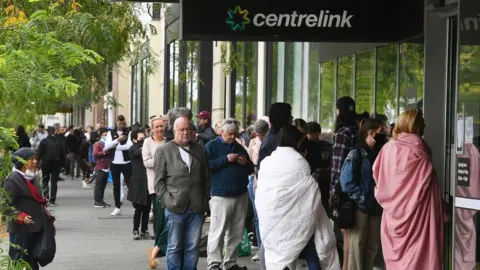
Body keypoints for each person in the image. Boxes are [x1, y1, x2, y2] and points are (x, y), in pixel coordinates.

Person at [256, 125, 339, 270]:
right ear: (296, 141)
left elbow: (262, 191)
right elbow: (309, 189)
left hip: (273, 217)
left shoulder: (267, 162)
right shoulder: (299, 161)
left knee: (278, 255)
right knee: (309, 248)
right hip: (298, 218)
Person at [373, 109, 445, 270]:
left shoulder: (387, 149)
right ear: (415, 127)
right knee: (420, 260)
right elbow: (427, 182)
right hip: (419, 218)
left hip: (392, 218)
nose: (425, 126)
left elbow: (378, 178)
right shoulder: (419, 149)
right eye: (422, 124)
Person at [154, 116, 210, 270]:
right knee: (174, 246)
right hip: (175, 206)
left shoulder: (200, 150)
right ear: (174, 130)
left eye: (188, 129)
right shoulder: (163, 151)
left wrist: (205, 200)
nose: (185, 132)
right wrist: (167, 201)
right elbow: (159, 183)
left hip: (197, 207)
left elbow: (206, 178)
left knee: (192, 247)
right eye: (181, 129)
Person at [205, 118, 254, 270]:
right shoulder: (211, 146)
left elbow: (251, 168)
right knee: (217, 231)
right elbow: (208, 166)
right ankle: (214, 263)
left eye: (235, 134)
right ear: (221, 132)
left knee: (236, 231)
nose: (233, 137)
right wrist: (226, 159)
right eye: (230, 134)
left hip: (240, 193)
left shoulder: (238, 147)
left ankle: (231, 262)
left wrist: (245, 162)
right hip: (221, 195)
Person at [339, 118, 383, 270]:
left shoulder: (379, 153)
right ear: (371, 133)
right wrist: (361, 197)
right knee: (356, 248)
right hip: (360, 209)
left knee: (371, 248)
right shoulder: (357, 153)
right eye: (380, 133)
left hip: (376, 208)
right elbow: (346, 181)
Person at [3, 148, 53, 270]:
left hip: (36, 228)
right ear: (22, 162)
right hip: (21, 230)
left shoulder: (33, 178)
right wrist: (20, 216)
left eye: (36, 158)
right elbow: (4, 205)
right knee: (17, 262)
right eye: (31, 159)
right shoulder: (12, 180)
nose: (35, 161)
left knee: (32, 262)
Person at [331, 96, 358, 269]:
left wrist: (333, 191)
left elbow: (337, 165)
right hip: (359, 187)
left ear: (338, 111)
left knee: (346, 233)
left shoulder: (343, 133)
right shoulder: (358, 130)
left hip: (344, 189)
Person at [144, 116, 168, 268]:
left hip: (171, 187)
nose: (159, 129)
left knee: (168, 221)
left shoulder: (169, 142)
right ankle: (155, 250)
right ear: (152, 128)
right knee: (160, 221)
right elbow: (146, 162)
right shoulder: (148, 142)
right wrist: (163, 160)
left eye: (162, 126)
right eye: (157, 126)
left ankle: (156, 250)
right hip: (156, 187)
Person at [104, 115, 133, 216]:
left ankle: (135, 206)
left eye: (122, 123)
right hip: (114, 162)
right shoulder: (110, 133)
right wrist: (117, 140)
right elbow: (107, 146)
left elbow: (129, 146)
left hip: (126, 162)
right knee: (116, 186)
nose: (121, 125)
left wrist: (116, 146)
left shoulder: (129, 132)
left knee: (131, 185)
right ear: (116, 123)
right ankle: (117, 207)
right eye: (119, 123)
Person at [128, 128, 154, 240]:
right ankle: (135, 230)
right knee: (138, 208)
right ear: (134, 140)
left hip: (148, 180)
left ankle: (144, 230)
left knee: (147, 208)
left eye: (144, 138)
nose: (143, 141)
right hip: (138, 181)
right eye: (140, 139)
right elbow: (140, 152)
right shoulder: (133, 149)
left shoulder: (146, 147)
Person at [37, 126, 65, 207]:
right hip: (56, 164)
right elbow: (63, 153)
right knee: (54, 183)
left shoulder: (43, 141)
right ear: (54, 132)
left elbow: (39, 154)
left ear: (47, 132)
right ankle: (52, 200)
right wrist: (63, 165)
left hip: (46, 164)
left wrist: (37, 164)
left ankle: (45, 198)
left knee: (45, 181)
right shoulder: (59, 141)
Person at [92, 128, 112, 208]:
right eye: (104, 135)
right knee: (99, 185)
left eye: (107, 135)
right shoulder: (98, 143)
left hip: (106, 167)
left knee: (103, 186)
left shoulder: (109, 143)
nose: (106, 136)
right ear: (101, 136)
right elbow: (95, 153)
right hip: (100, 167)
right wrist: (104, 152)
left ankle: (101, 200)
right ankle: (97, 201)